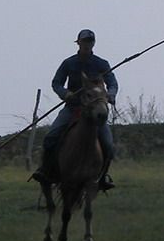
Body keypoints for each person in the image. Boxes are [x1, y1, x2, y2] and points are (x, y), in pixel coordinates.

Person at [31, 28, 118, 190]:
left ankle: (101, 178)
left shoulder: (101, 64)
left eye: (90, 41)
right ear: (78, 43)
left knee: (108, 144)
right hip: (72, 108)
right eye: (84, 41)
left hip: (94, 112)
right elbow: (56, 83)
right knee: (50, 137)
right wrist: (65, 94)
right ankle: (46, 171)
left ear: (93, 44)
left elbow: (112, 82)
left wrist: (111, 95)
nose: (87, 44)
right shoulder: (68, 63)